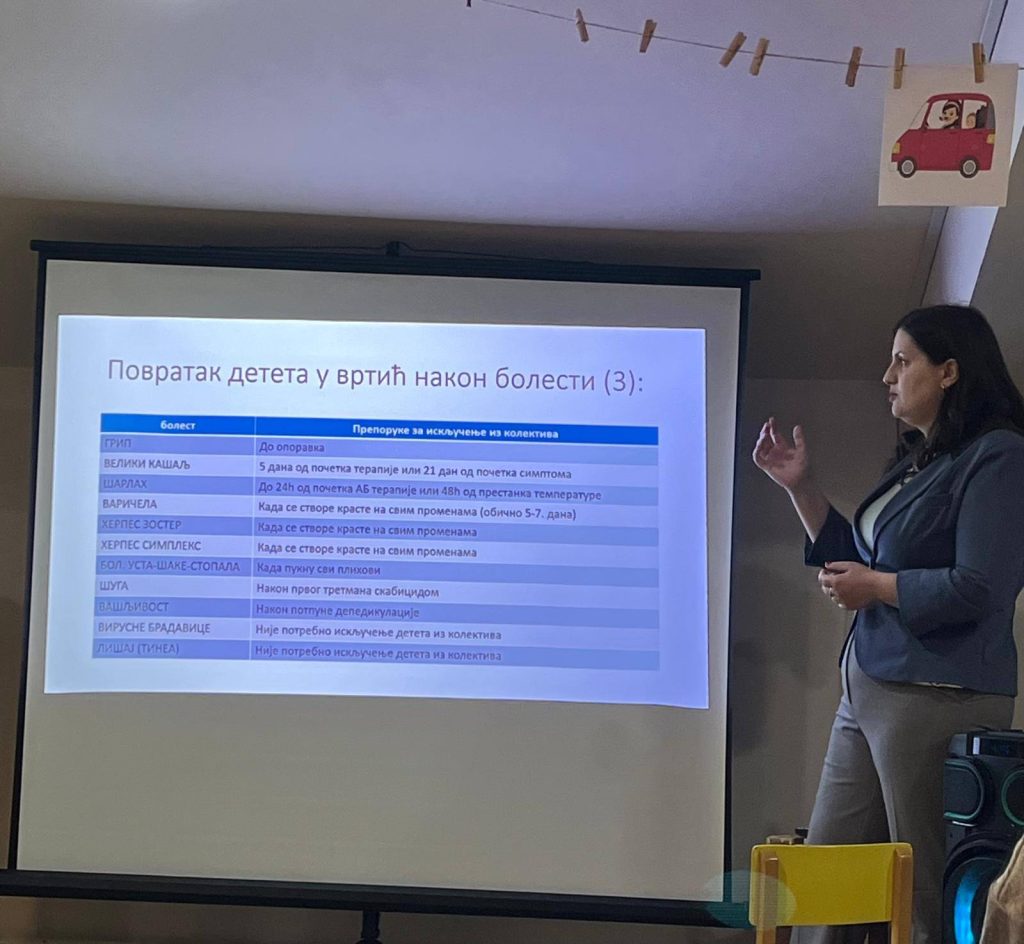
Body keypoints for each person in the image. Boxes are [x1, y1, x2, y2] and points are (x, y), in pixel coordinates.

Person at [752, 304, 1024, 944]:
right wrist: (801, 488)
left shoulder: (999, 456)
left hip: (935, 694)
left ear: (949, 371)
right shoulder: (920, 459)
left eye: (903, 361)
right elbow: (865, 557)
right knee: (827, 877)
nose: (887, 376)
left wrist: (875, 588)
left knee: (922, 886)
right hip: (867, 686)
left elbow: (980, 587)